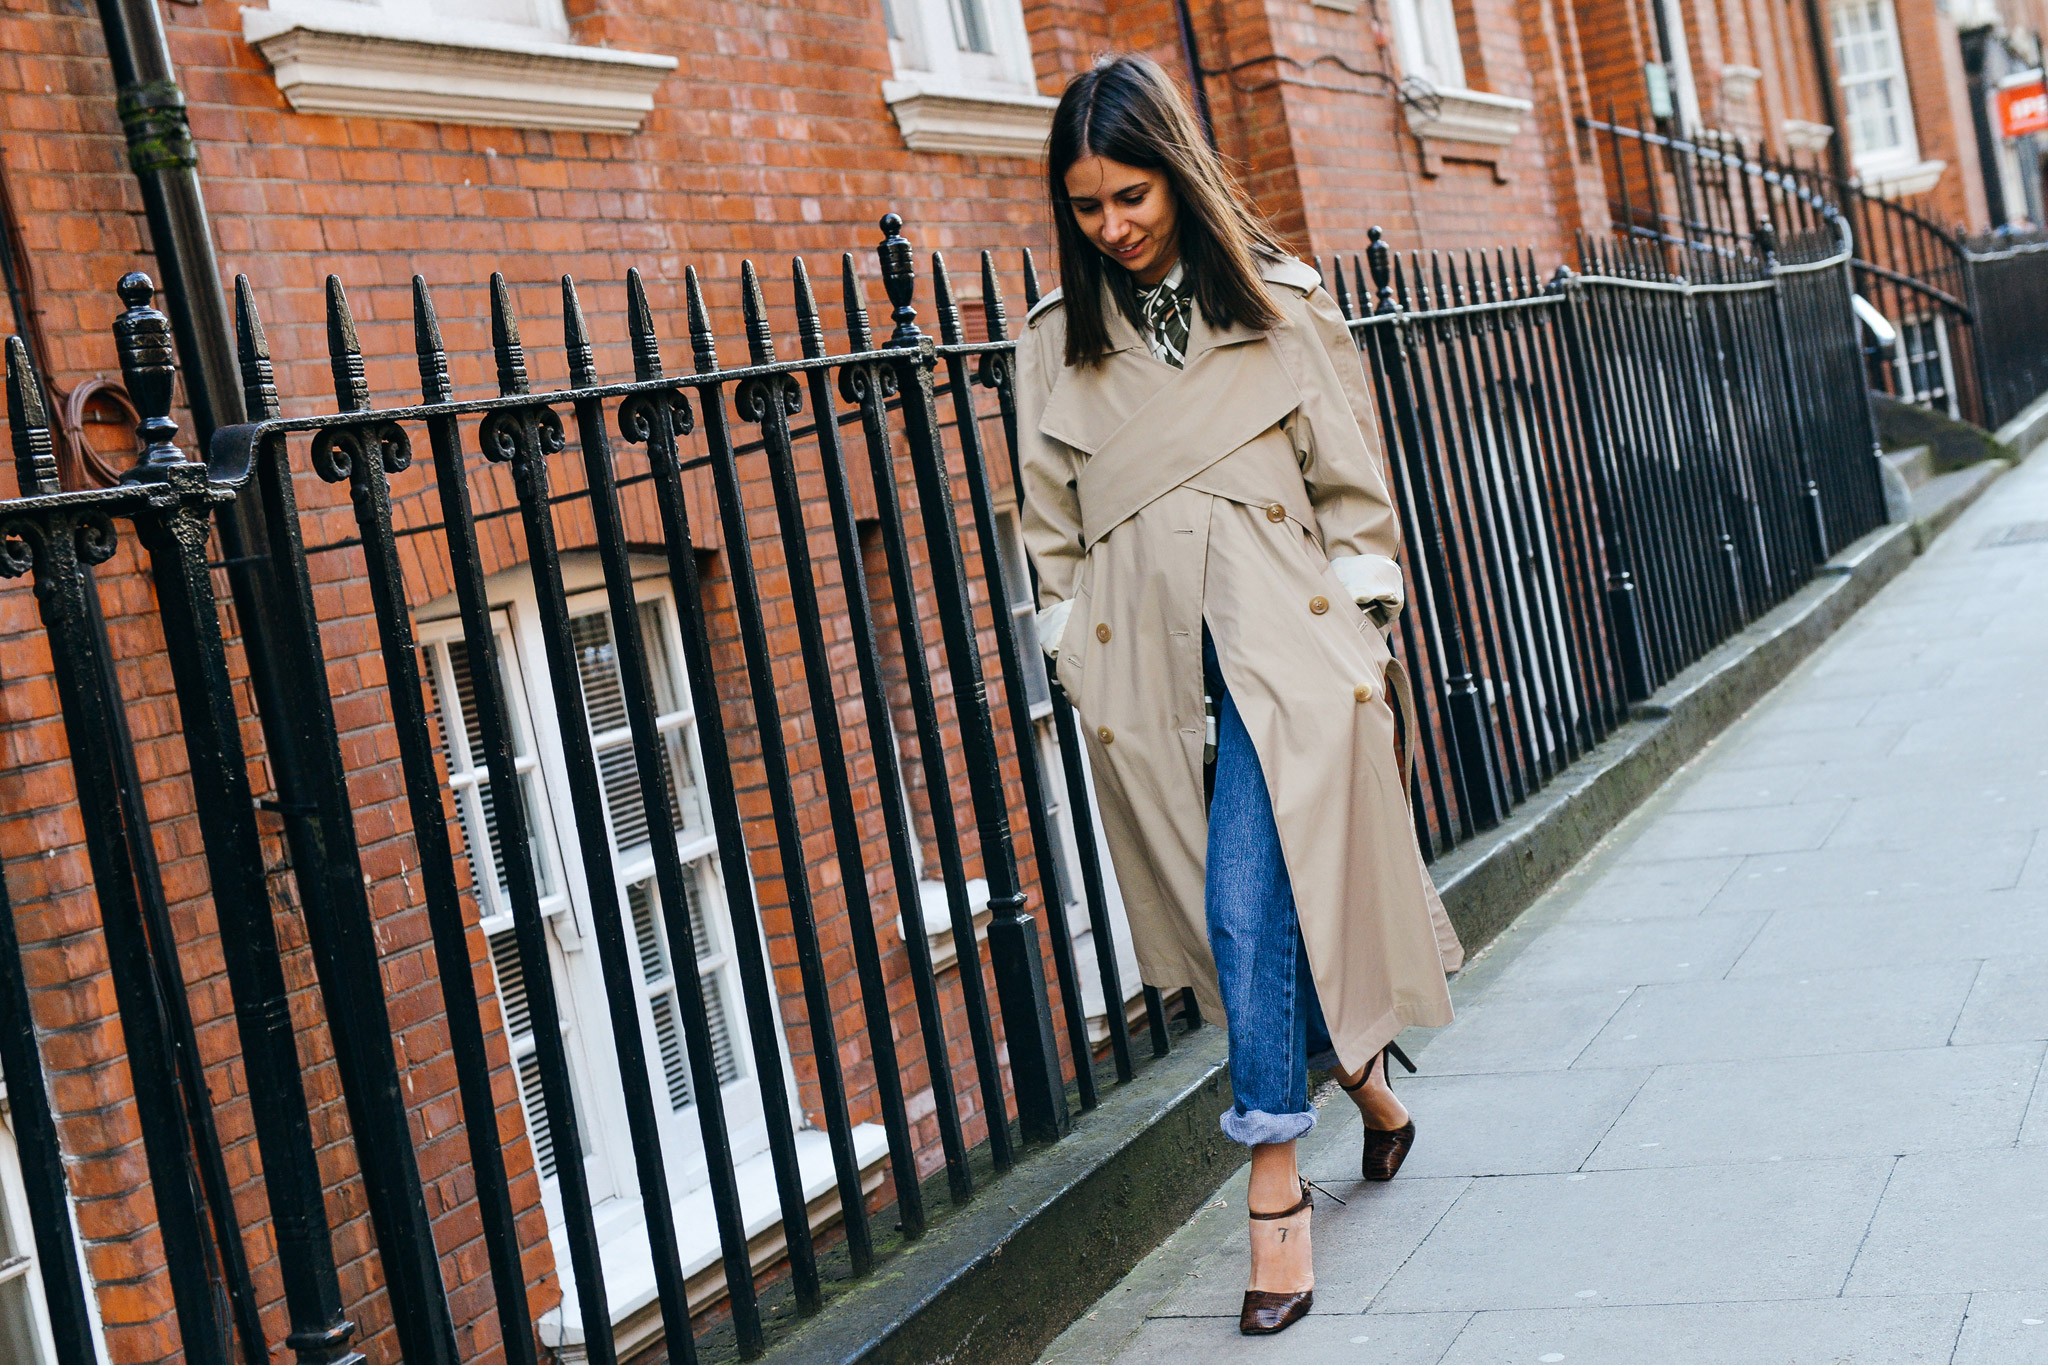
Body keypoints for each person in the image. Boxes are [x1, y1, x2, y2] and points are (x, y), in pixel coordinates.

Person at [1014, 54, 1465, 1337]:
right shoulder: (1051, 346)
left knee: (1240, 900)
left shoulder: (1277, 307)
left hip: (1284, 654)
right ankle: (1367, 1086)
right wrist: (1075, 649)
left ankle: (1272, 1180)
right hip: (1144, 669)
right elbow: (1047, 534)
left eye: (1132, 195)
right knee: (1250, 918)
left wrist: (1357, 633)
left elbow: (1352, 496)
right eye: (1087, 206)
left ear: (1176, 174)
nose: (1112, 226)